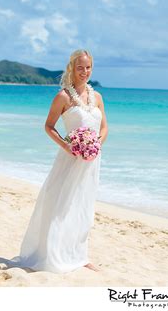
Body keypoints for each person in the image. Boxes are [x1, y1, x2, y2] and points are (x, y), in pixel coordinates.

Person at [10, 49, 108, 273]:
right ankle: (52, 255)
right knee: (61, 206)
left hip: (92, 161)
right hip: (70, 159)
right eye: (80, 67)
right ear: (72, 68)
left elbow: (104, 127)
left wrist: (96, 144)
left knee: (83, 207)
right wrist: (68, 146)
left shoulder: (98, 97)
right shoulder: (63, 97)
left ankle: (79, 256)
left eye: (88, 67)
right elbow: (48, 126)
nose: (84, 72)